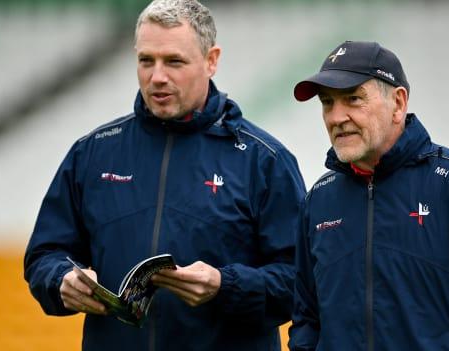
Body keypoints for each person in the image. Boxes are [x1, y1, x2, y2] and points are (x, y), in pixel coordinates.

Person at [24, 1, 305, 350]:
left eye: (174, 61)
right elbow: (45, 254)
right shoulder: (92, 152)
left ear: (211, 60)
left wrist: (225, 285)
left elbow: (303, 282)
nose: (157, 76)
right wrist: (60, 279)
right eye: (146, 60)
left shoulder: (265, 160)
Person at [288, 40, 449, 350]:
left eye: (353, 99)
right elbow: (306, 316)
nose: (335, 117)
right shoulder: (319, 199)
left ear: (398, 103)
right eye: (328, 102)